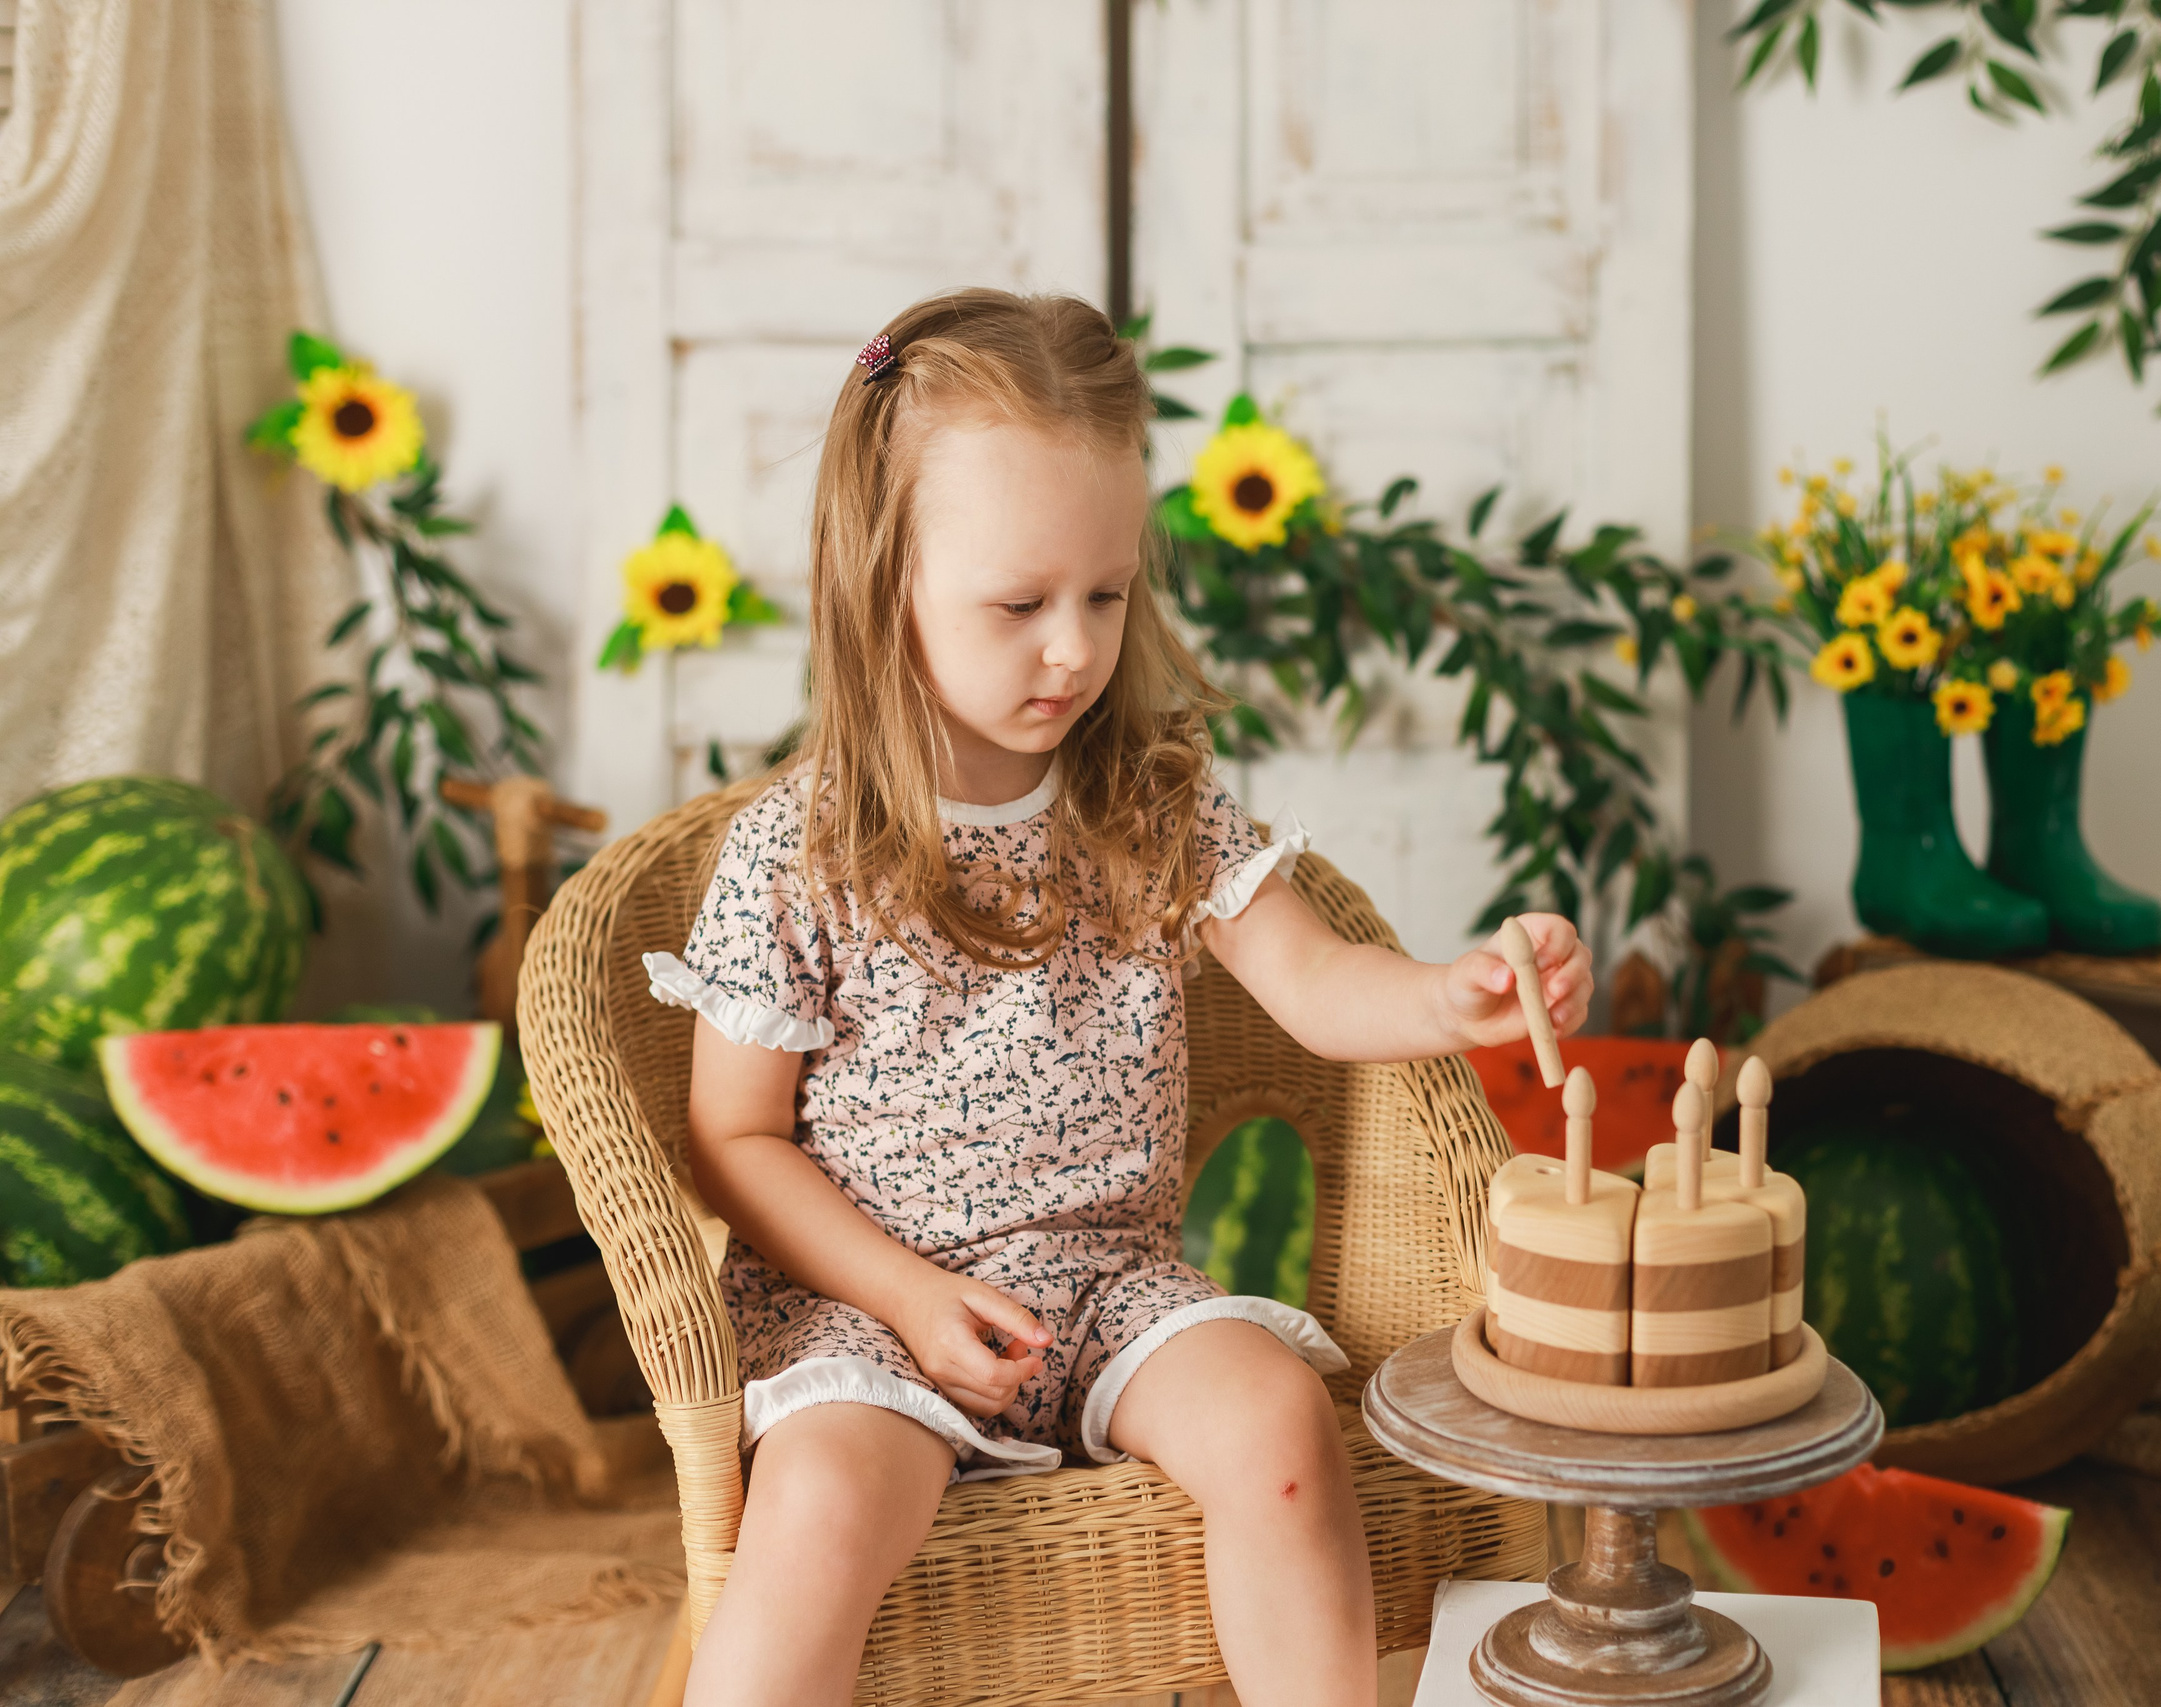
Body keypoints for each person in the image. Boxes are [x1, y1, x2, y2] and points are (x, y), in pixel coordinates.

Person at [652, 288, 1592, 1707]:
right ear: (882, 581)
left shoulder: (1148, 804)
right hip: (871, 1314)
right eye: (1020, 605)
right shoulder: (800, 853)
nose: (1074, 650)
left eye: (1106, 595)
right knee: (824, 1507)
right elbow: (734, 1139)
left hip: (1113, 1289)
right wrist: (910, 1299)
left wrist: (1452, 997)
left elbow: (1313, 980)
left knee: (1281, 1427)